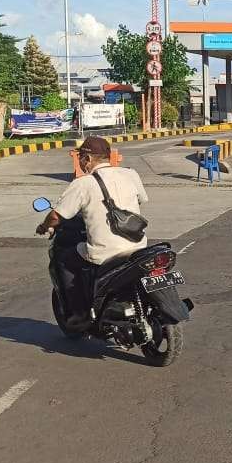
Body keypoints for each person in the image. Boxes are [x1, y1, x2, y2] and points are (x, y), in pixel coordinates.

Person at [36, 136, 149, 329]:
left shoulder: (84, 183)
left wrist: (43, 226)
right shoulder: (131, 174)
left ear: (87, 159)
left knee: (64, 258)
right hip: (138, 246)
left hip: (105, 252)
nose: (80, 161)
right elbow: (141, 200)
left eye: (80, 156)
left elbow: (57, 216)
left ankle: (79, 315)